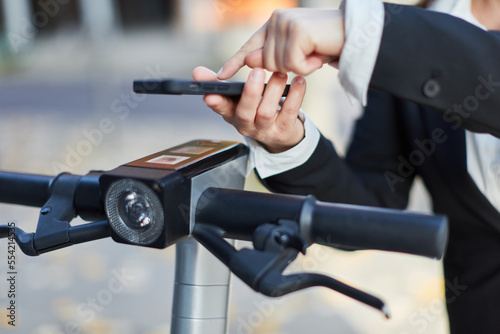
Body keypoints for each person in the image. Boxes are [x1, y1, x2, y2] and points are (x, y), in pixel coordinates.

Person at [193, 0, 500, 332]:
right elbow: (369, 202)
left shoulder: (400, 36)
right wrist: (288, 143)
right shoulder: (418, 25)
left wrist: (369, 34)